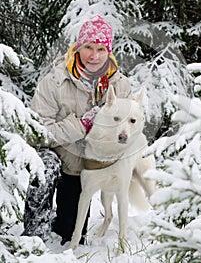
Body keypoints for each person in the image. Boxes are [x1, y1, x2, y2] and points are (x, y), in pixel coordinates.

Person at [22, 15, 132, 246]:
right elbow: (37, 132)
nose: (95, 55)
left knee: (70, 234)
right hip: (56, 155)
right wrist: (81, 125)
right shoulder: (54, 81)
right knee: (45, 166)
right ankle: (34, 232)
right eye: (89, 47)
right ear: (78, 47)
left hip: (87, 167)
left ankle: (61, 224)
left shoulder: (120, 85)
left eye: (101, 49)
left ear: (109, 51)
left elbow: (128, 128)